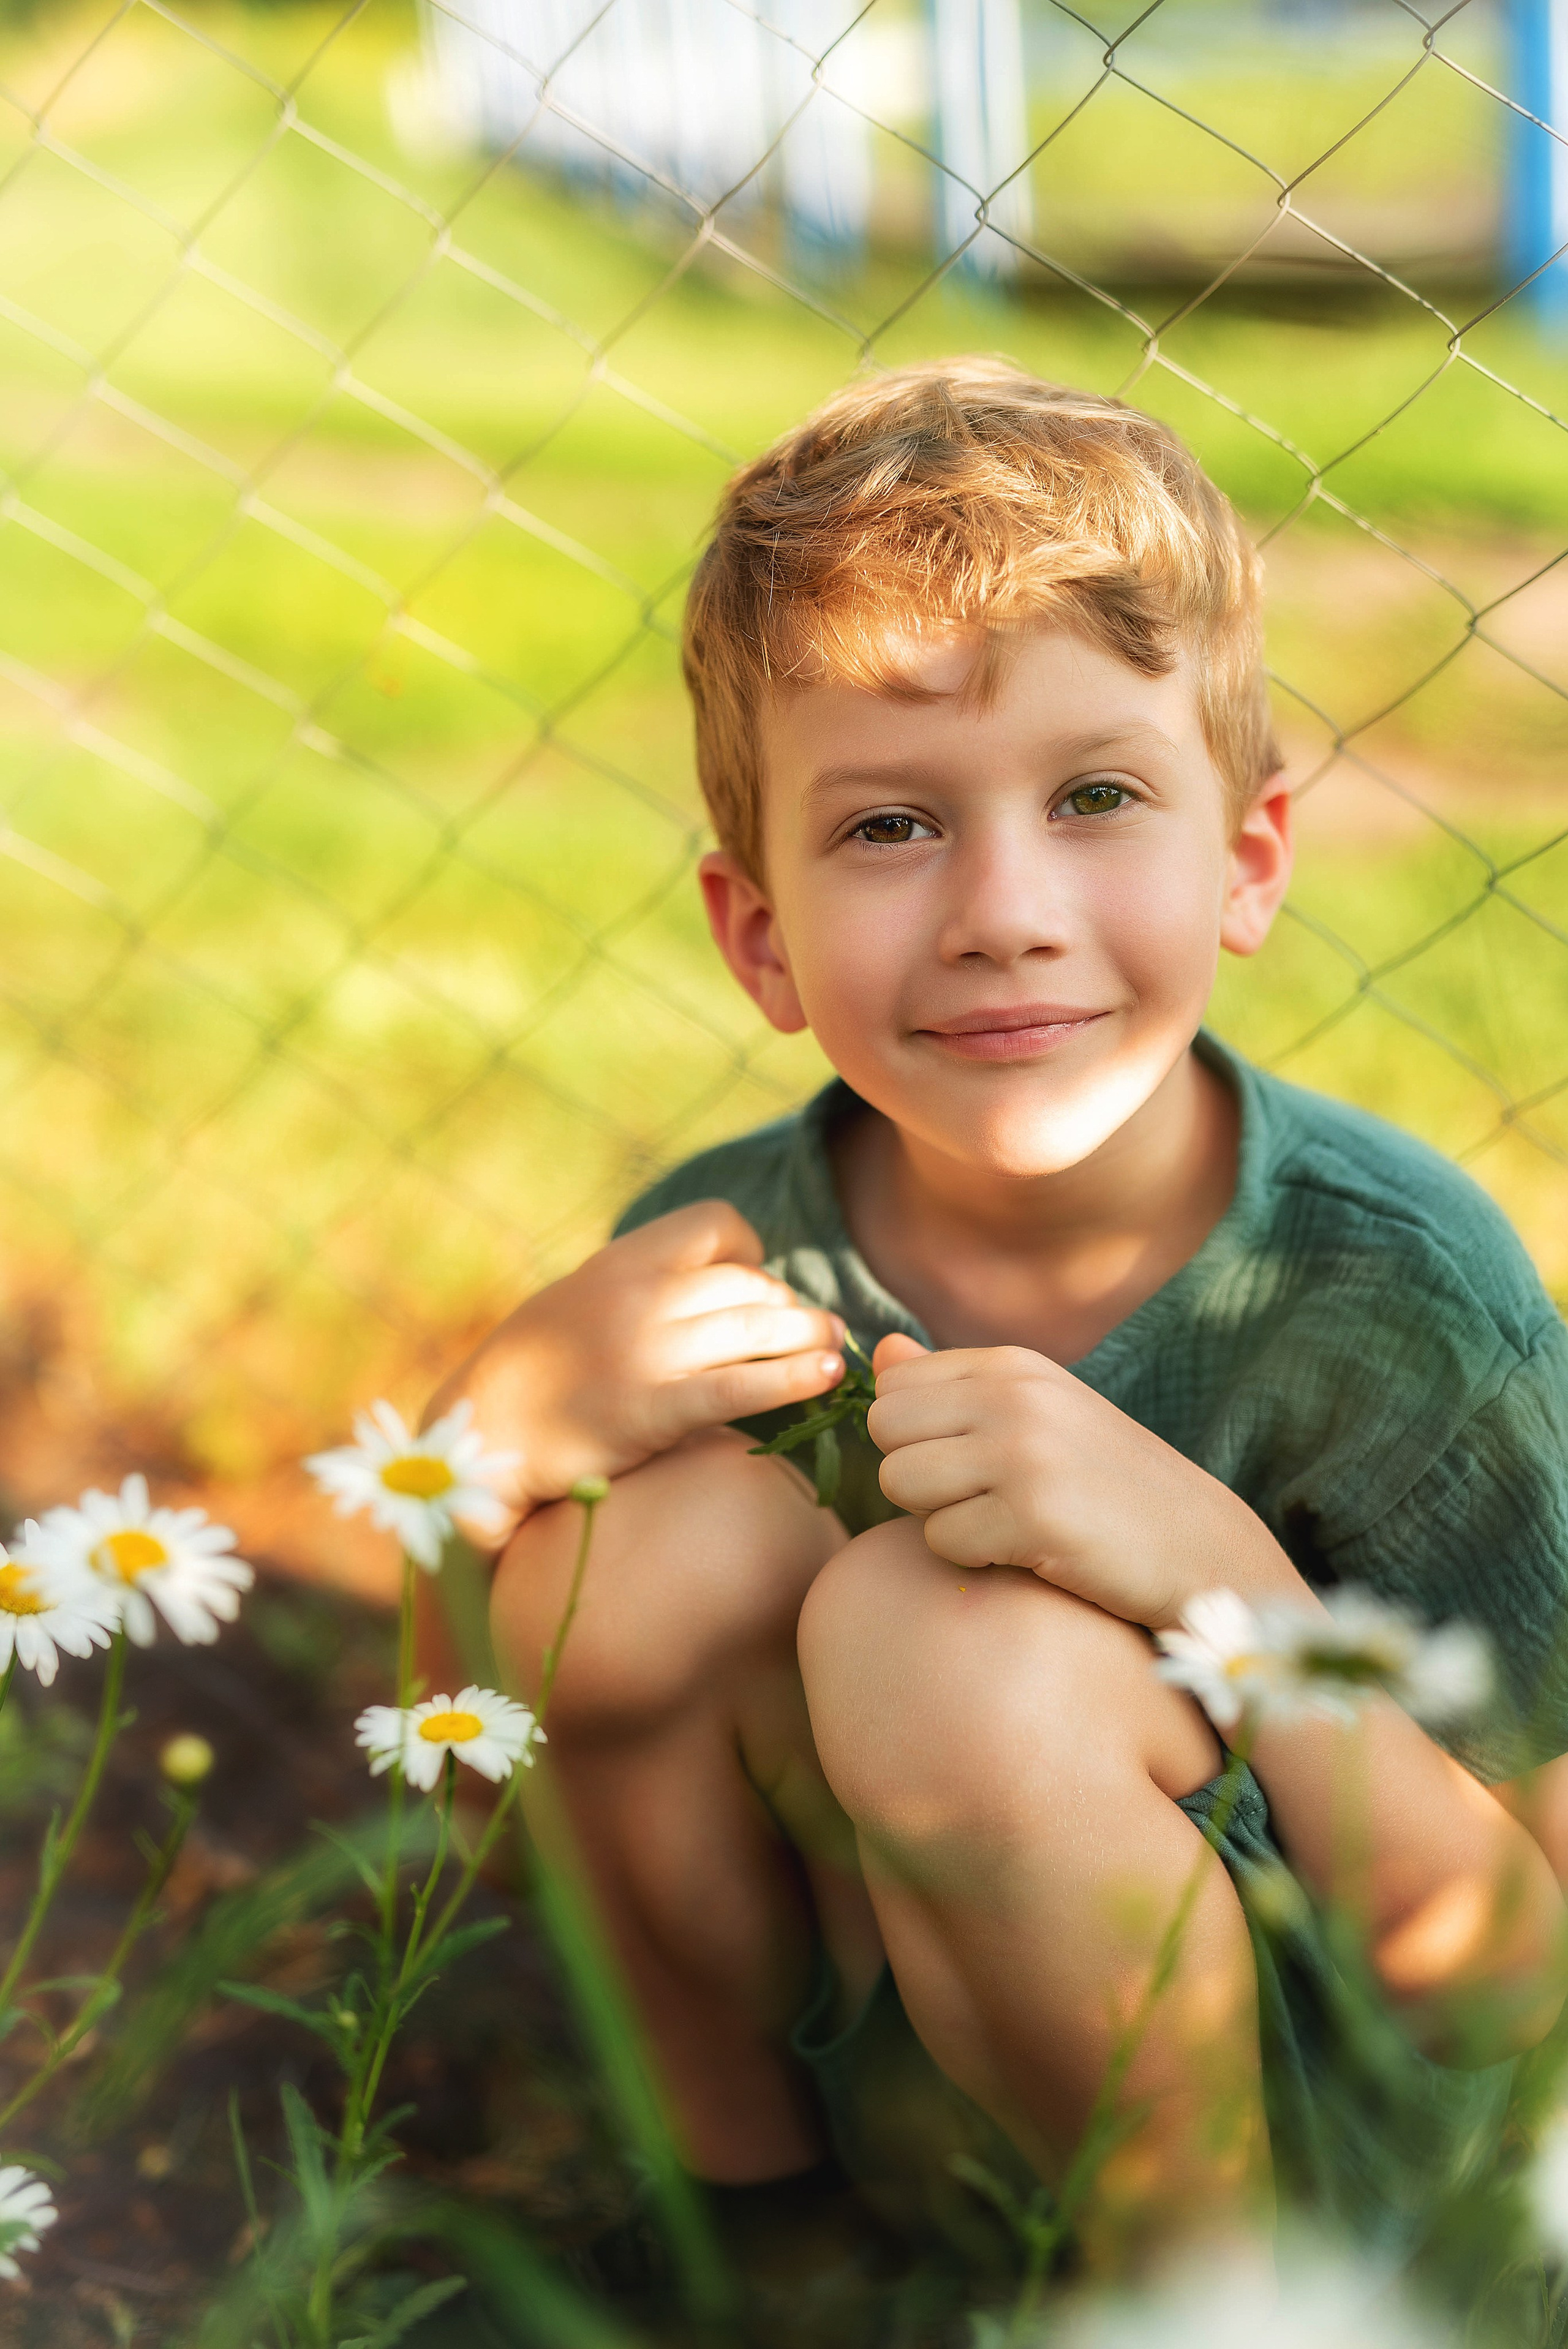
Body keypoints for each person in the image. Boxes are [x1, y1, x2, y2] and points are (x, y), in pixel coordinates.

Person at [424, 360, 1568, 2270]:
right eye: (889, 828)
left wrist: (1231, 1584)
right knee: (606, 1565)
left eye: (1099, 794)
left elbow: (1521, 1986)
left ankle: (1200, 2308)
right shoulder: (717, 1268)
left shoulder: (1396, 1296)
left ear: (1251, 859)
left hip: (1337, 2145)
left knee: (943, 1643)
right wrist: (474, 1448)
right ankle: (765, 2247)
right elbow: (461, 1809)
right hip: (924, 2094)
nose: (1003, 911)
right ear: (759, 931)